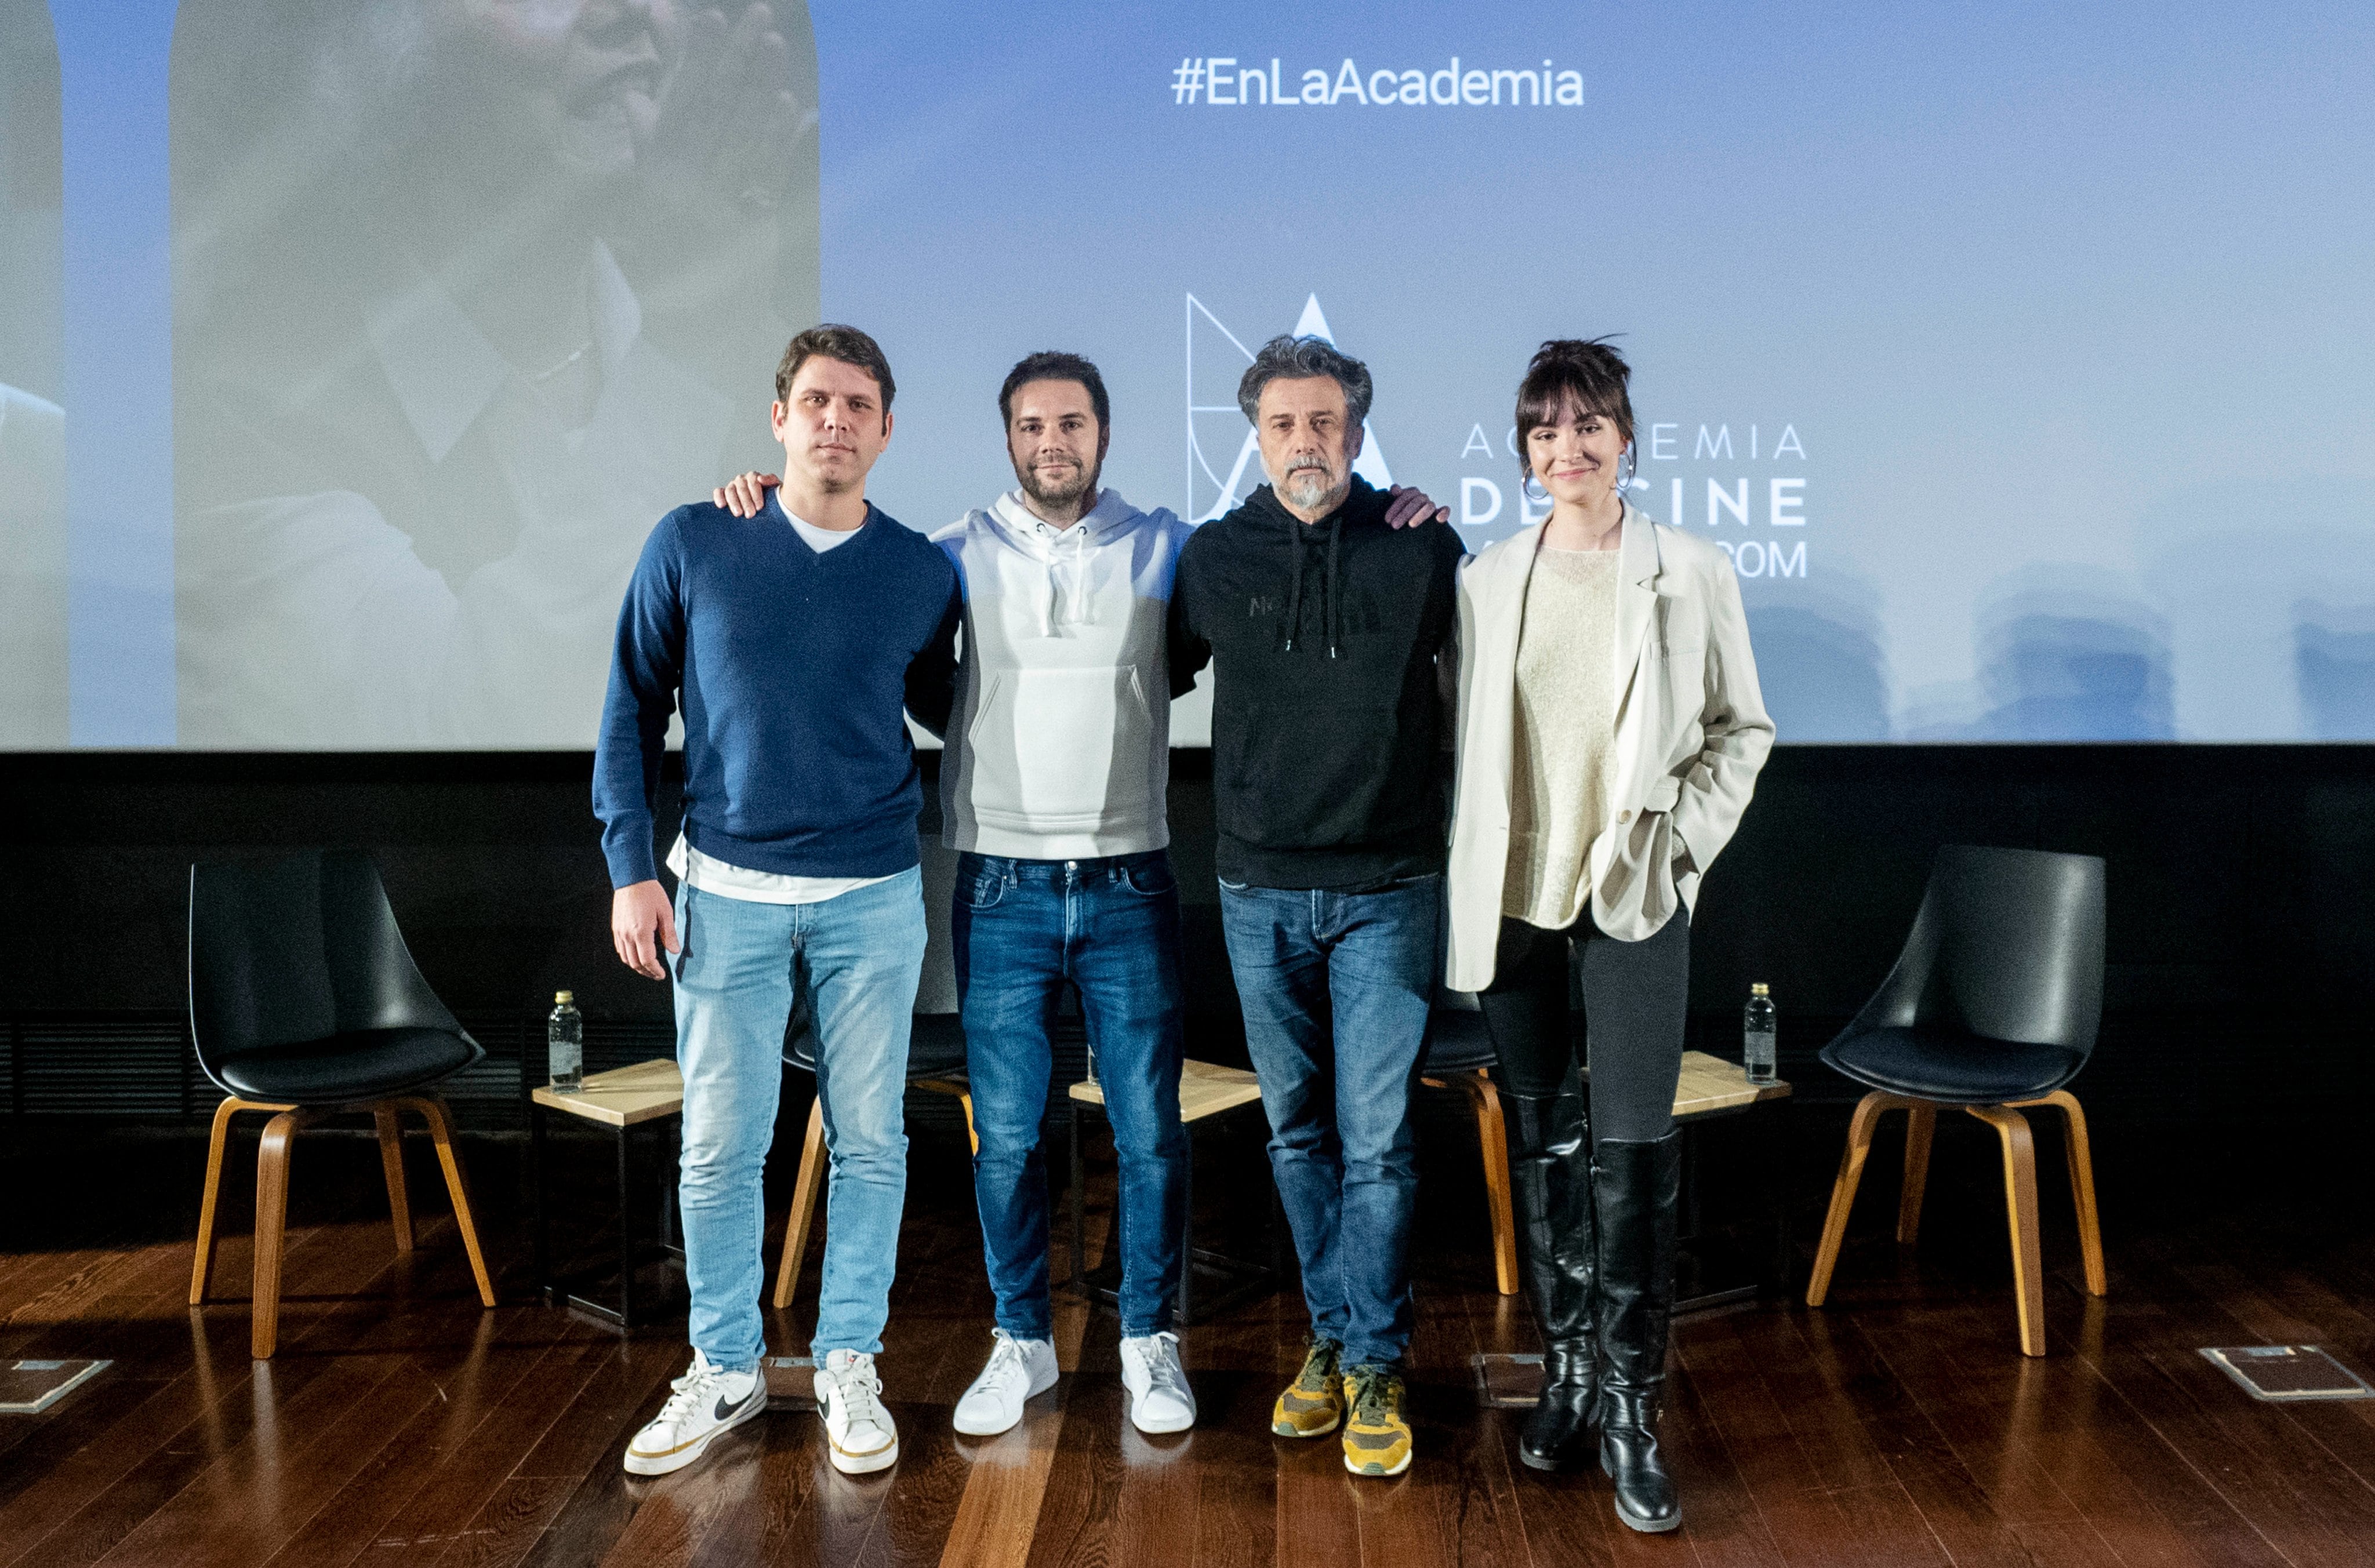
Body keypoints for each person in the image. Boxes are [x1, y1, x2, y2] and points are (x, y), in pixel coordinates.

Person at [713, 352, 1446, 1442]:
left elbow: (1208, 658)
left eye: (1073, 423)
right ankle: (1022, 1341)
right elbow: (883, 631)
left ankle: (1150, 1337)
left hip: (1132, 878)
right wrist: (761, 501)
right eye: (1030, 425)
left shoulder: (1171, 550)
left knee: (1151, 1134)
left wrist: (1401, 507)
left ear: (1105, 435)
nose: (1052, 441)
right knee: (1006, 1137)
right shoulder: (947, 555)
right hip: (1000, 883)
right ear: (1006, 437)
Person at [595, 325, 959, 1479]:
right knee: (718, 1150)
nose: (835, 423)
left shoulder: (918, 570)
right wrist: (630, 866)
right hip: (722, 894)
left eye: (858, 406)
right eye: (815, 402)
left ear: (887, 430)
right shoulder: (696, 539)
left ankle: (850, 1357)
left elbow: (960, 714)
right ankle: (725, 1367)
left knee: (871, 1142)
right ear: (778, 418)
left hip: (872, 895)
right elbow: (626, 708)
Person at [1444, 339, 1773, 1532]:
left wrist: (1678, 845)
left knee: (1630, 1152)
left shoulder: (1688, 568)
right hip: (1515, 896)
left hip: (1631, 892)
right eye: (1543, 430)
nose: (1564, 450)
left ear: (1625, 437)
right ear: (1523, 451)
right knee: (1542, 1144)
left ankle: (1634, 1405)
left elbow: (1743, 731)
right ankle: (1569, 1374)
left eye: (1586, 426)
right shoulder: (1486, 577)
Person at [1167, 334, 1466, 1479]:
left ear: (1355, 431)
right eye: (1285, 423)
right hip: (1256, 891)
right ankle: (1335, 1344)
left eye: (1327, 423)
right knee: (1298, 1136)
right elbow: (1146, 674)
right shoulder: (1211, 558)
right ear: (1253, 432)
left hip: (1388, 890)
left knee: (1378, 1142)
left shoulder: (1421, 546)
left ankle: (1372, 1360)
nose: (1307, 441)